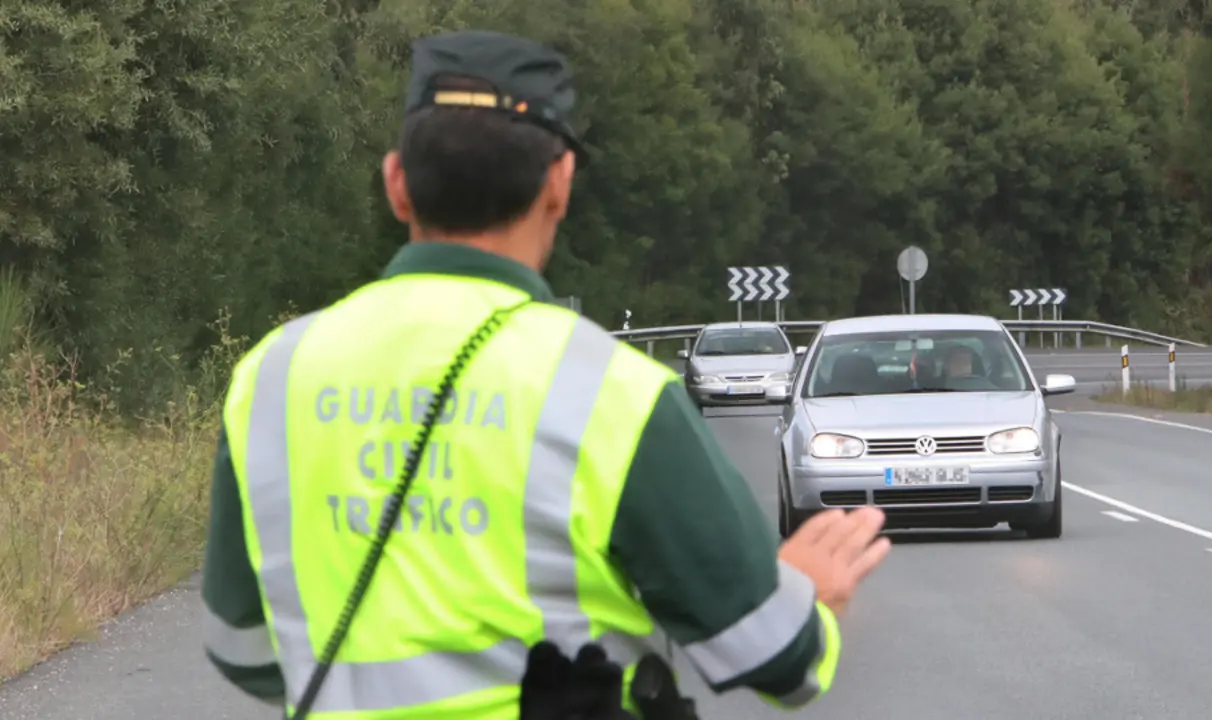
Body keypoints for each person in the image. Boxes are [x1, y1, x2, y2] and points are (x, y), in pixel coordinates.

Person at [199, 29, 891, 719]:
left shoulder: (274, 375)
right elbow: (778, 659)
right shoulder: (609, 391)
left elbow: (244, 651)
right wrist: (810, 599)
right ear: (559, 183)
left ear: (396, 184)